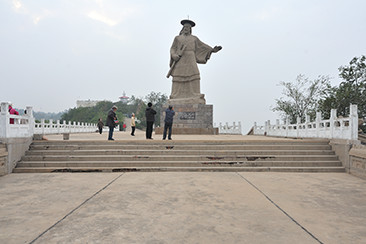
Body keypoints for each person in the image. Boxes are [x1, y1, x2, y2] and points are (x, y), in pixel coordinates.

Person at [168, 19, 222, 104]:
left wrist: (211, 50)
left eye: (188, 27)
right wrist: (174, 55)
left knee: (195, 74)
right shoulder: (177, 38)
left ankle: (195, 94)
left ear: (190, 29)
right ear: (182, 28)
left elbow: (202, 46)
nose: (186, 28)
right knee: (178, 76)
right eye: (185, 27)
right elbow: (173, 48)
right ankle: (175, 95)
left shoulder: (194, 39)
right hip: (180, 59)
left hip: (191, 58)